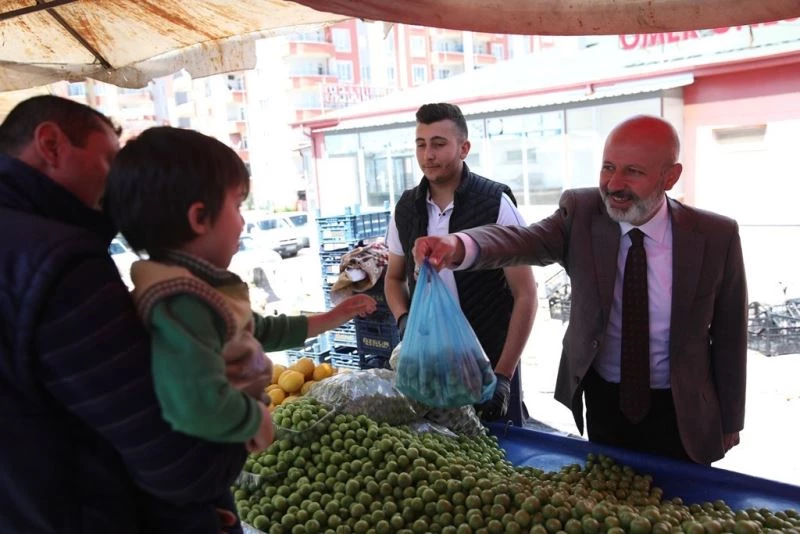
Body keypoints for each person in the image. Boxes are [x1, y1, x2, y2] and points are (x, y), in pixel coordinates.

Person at [0, 95, 271, 533]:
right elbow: (180, 466)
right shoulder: (61, 264)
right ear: (51, 144)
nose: (120, 184)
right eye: (111, 161)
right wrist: (250, 419)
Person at [413, 115, 747, 465]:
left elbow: (730, 334)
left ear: (670, 177)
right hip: (605, 402)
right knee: (609, 489)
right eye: (608, 167)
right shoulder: (583, 213)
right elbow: (522, 239)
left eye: (633, 171)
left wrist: (731, 418)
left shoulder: (715, 236)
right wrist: (458, 245)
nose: (614, 184)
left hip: (682, 408)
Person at [103, 125, 377, 528]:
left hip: (208, 468)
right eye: (237, 206)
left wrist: (329, 319)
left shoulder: (198, 289)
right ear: (200, 218)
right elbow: (195, 401)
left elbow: (252, 329)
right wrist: (254, 420)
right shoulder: (180, 301)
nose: (244, 222)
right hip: (192, 472)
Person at [385, 103, 537, 426]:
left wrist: (504, 376)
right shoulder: (407, 208)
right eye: (421, 144)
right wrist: (404, 320)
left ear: (464, 148)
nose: (428, 155)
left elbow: (526, 295)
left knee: (499, 450)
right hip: (430, 366)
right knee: (440, 452)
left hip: (488, 367)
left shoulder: (494, 203)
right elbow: (394, 279)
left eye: (439, 144)